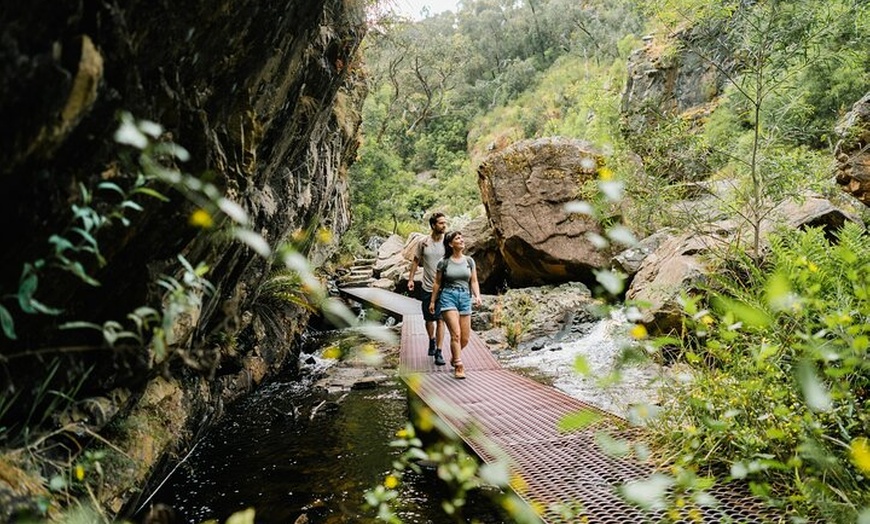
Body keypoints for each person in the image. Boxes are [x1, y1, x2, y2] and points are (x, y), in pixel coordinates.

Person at [428, 230, 482, 379]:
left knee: (465, 338)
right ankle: (458, 365)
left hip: (465, 297)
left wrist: (477, 296)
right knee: (455, 334)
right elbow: (437, 282)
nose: (461, 240)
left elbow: (474, 281)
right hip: (448, 297)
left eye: (461, 238)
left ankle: (454, 356)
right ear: (451, 244)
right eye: (457, 238)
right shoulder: (443, 262)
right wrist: (432, 301)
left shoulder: (469, 261)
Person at [407, 212, 448, 365]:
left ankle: (439, 351)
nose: (444, 226)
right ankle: (431, 340)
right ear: (433, 225)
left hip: (444, 288)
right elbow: (415, 261)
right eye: (441, 223)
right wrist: (411, 279)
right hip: (427, 287)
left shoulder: (447, 242)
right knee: (429, 319)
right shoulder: (423, 242)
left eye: (445, 223)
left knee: (441, 319)